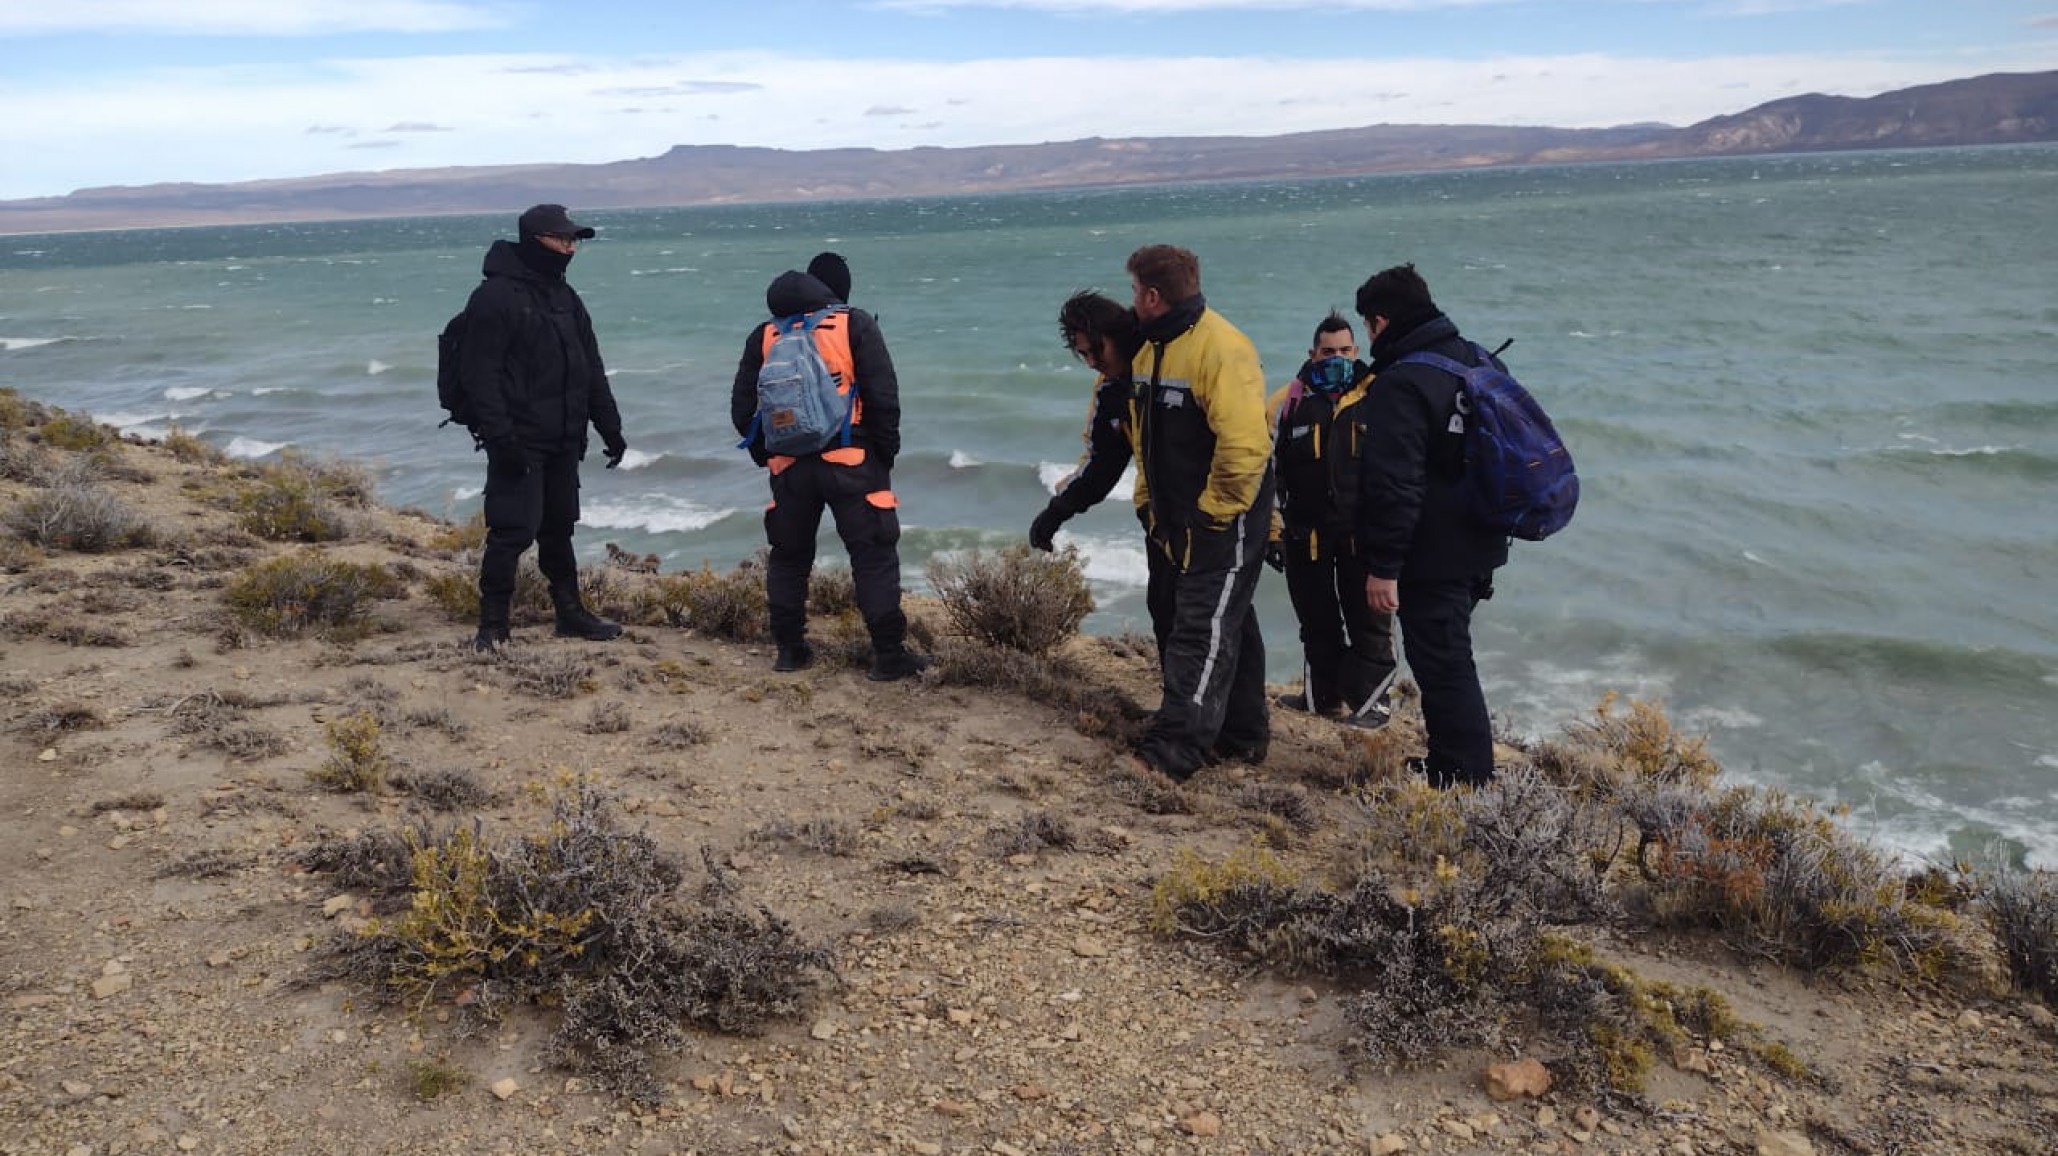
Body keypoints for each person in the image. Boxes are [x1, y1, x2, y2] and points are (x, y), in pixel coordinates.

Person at [731, 251, 928, 682]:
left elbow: (742, 409)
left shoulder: (765, 335)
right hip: (851, 459)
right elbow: (883, 398)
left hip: (788, 466)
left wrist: (769, 455)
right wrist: (882, 456)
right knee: (873, 556)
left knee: (788, 558)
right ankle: (888, 656)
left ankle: (790, 651)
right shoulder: (852, 324)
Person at [1353, 263, 1510, 788]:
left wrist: (1384, 566)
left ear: (1380, 321)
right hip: (1482, 537)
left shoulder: (1401, 382)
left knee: (1444, 662)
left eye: (1367, 326)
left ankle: (1466, 779)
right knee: (1446, 655)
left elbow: (1395, 484)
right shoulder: (1478, 360)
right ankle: (1449, 761)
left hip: (1432, 551)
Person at [1123, 244, 1274, 780]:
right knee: (1218, 619)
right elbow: (1145, 439)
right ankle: (1241, 734)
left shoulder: (1222, 348)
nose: (1131, 301)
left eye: (1134, 291)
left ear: (1153, 296)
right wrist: (1147, 503)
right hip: (1173, 515)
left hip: (1224, 515)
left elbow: (1245, 447)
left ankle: (1173, 752)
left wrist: (1212, 516)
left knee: (1201, 627)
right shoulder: (1151, 351)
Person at [456, 203, 628, 653]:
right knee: (511, 531)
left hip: (565, 436)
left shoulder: (565, 297)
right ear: (535, 241)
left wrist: (610, 427)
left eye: (574, 241)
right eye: (562, 239)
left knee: (558, 527)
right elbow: (480, 375)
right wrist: (501, 438)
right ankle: (492, 626)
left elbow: (590, 367)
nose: (570, 248)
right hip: (519, 439)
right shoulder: (495, 297)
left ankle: (570, 614)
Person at [1267, 312, 1397, 727]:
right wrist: (1273, 531)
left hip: (1363, 538)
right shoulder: (1287, 402)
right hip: (1306, 536)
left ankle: (1374, 704)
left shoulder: (1381, 395)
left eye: (1344, 350)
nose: (1336, 358)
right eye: (1327, 352)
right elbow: (1266, 470)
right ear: (1312, 354)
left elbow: (1403, 468)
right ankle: (1321, 697)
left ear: (1356, 351)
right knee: (1316, 621)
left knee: (1369, 623)